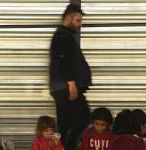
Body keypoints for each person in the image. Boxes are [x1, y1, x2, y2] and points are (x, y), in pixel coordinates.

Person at [49, 3, 91, 150]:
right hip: (65, 87)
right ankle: (69, 147)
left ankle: (62, 146)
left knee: (65, 124)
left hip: (59, 88)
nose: (80, 25)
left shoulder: (62, 35)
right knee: (83, 117)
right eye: (78, 21)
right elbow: (63, 60)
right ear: (69, 18)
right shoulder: (63, 35)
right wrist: (72, 84)